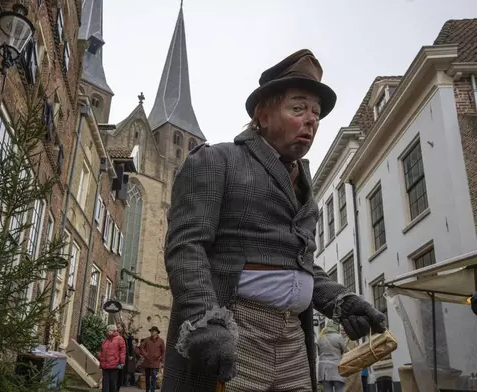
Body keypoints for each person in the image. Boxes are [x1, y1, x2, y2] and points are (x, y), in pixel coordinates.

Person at [162, 49, 386, 392]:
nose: (311, 119)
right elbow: (186, 247)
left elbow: (301, 265)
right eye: (298, 108)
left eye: (315, 112)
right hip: (236, 329)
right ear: (262, 114)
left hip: (294, 338)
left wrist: (342, 301)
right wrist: (205, 319)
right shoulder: (216, 161)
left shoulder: (304, 186)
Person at [317, 322, 346, 392]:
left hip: (324, 371)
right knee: (340, 389)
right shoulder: (338, 337)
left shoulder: (320, 338)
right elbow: (346, 350)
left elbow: (319, 353)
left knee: (327, 390)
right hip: (336, 368)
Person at [98, 324, 126, 392]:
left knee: (112, 383)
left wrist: (122, 363)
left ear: (113, 331)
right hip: (105, 365)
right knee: (105, 384)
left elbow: (123, 351)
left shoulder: (119, 339)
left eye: (108, 330)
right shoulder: (105, 340)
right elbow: (102, 350)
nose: (107, 332)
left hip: (115, 365)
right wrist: (100, 356)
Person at [137, 326, 165, 392]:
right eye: (151, 331)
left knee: (153, 377)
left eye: (154, 331)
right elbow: (141, 347)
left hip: (155, 362)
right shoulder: (146, 339)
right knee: (147, 377)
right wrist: (145, 354)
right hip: (147, 361)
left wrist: (161, 358)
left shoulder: (161, 341)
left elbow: (163, 350)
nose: (152, 332)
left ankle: (152, 390)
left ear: (157, 332)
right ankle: (147, 390)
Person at [116, 322, 135, 390]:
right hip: (116, 356)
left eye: (119, 327)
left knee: (121, 370)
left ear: (122, 328)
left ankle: (118, 385)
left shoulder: (127, 336)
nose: (118, 328)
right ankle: (116, 385)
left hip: (124, 356)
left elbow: (130, 346)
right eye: (117, 327)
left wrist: (130, 355)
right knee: (117, 370)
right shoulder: (116, 335)